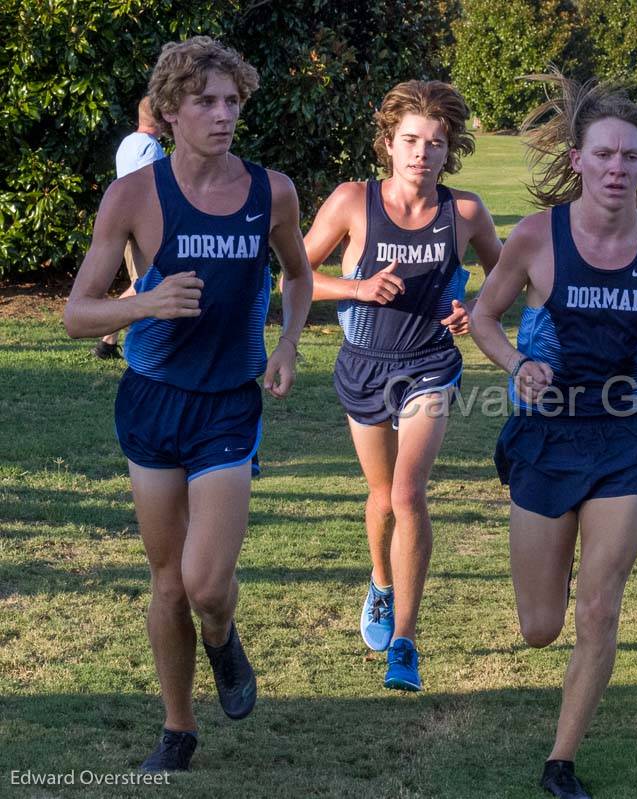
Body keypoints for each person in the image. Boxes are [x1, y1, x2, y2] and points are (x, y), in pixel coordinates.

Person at [63, 36, 313, 772]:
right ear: (170, 110)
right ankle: (178, 728)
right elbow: (77, 313)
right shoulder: (134, 196)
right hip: (151, 402)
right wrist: (143, 303)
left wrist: (289, 343)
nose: (223, 114)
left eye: (233, 100)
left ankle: (222, 632)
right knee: (168, 583)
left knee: (206, 581)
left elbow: (299, 276)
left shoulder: (273, 191)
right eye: (206, 100)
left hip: (228, 406)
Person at [470, 72, 637, 799]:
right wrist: (517, 362)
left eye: (631, 156)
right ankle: (560, 569)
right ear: (577, 158)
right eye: (603, 154)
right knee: (541, 626)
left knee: (600, 607)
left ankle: (560, 760)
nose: (616, 168)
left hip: (620, 440)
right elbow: (483, 318)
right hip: (545, 438)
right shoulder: (537, 238)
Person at [300, 80, 501, 691]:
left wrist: (475, 309)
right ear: (388, 144)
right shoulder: (350, 202)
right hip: (363, 363)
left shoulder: (463, 213)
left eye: (435, 143)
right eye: (411, 140)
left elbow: (506, 276)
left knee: (410, 494)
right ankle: (381, 584)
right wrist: (356, 288)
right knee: (383, 496)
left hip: (429, 365)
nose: (421, 153)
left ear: (450, 150)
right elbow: (292, 276)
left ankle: (406, 643)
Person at [93, 96, 166, 360]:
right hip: (142, 226)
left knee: (144, 283)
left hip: (125, 222)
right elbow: (151, 189)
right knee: (148, 283)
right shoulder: (150, 147)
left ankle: (109, 339)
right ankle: (111, 334)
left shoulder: (127, 143)